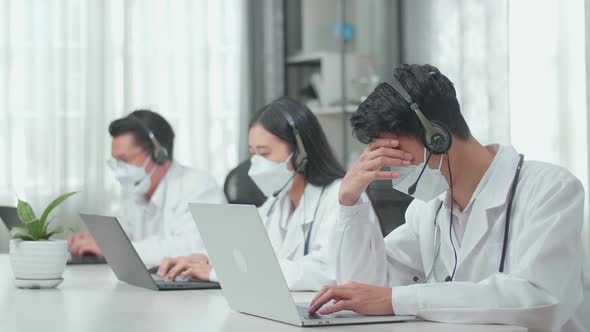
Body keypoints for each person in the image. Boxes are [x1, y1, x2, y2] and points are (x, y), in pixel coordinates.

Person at [307, 64, 590, 331]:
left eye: (395, 153)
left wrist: (399, 299)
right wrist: (349, 200)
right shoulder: (428, 209)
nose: (390, 167)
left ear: (437, 137)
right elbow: (365, 290)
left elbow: (540, 299)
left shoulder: (551, 189)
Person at [156, 96, 379, 291]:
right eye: (253, 154)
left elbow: (324, 271)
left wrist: (217, 272)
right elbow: (243, 248)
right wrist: (204, 258)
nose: (255, 165)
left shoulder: (340, 197)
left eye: (264, 153)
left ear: (301, 153)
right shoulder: (277, 202)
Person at [68, 110, 226, 266]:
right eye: (116, 162)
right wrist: (95, 240)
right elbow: (121, 236)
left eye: (125, 160)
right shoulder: (138, 193)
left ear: (159, 154)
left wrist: (112, 249)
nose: (119, 171)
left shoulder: (199, 186)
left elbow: (189, 248)